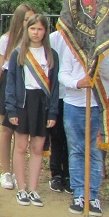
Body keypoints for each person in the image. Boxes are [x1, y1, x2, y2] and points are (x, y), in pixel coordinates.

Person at [59, 37, 109, 217]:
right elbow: (63, 74)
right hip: (74, 104)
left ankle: (92, 195)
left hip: (98, 104)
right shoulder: (73, 47)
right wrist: (77, 83)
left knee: (95, 152)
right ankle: (79, 192)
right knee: (76, 150)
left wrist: (98, 60)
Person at [5, 15, 59, 207]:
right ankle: (21, 188)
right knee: (20, 148)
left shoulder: (51, 55)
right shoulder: (18, 53)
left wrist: (53, 111)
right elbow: (11, 82)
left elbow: (55, 86)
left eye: (40, 29)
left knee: (37, 149)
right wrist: (11, 109)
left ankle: (33, 188)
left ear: (45, 32)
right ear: (27, 30)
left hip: (42, 105)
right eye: (33, 29)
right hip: (23, 103)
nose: (36, 33)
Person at [0, 4, 34, 190]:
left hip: (26, 86)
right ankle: (5, 171)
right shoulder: (6, 39)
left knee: (22, 131)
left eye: (32, 20)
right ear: (19, 20)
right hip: (9, 84)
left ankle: (19, 172)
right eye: (26, 20)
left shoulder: (34, 41)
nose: (29, 24)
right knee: (7, 128)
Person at [47, 28, 71, 194]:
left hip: (74, 95)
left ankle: (69, 174)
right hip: (57, 92)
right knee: (56, 135)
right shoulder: (54, 38)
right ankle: (56, 173)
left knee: (71, 137)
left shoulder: (82, 38)